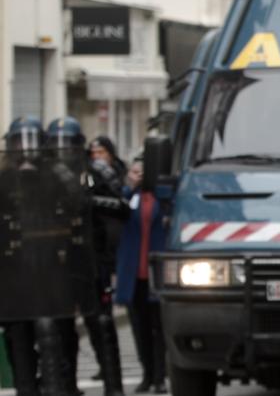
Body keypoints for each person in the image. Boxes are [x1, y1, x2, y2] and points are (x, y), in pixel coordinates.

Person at [47, 117, 129, 396]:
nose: (63, 152)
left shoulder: (94, 172)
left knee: (101, 323)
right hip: (57, 262)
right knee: (60, 328)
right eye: (57, 146)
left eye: (68, 145)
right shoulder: (43, 177)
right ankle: (66, 387)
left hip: (92, 259)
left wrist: (89, 201)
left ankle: (113, 385)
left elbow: (123, 207)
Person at [1, 117, 77, 396]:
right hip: (14, 268)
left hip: (49, 266)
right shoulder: (4, 177)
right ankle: (26, 388)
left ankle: (58, 387)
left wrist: (57, 173)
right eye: (20, 142)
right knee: (17, 333)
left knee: (52, 330)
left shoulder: (54, 173)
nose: (25, 149)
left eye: (31, 142)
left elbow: (76, 203)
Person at [115, 160, 169, 394]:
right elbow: (116, 213)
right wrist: (128, 188)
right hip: (134, 273)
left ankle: (160, 376)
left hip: (157, 271)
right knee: (140, 328)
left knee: (159, 326)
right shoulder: (127, 197)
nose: (140, 176)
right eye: (135, 171)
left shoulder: (163, 198)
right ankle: (147, 374)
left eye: (144, 172)